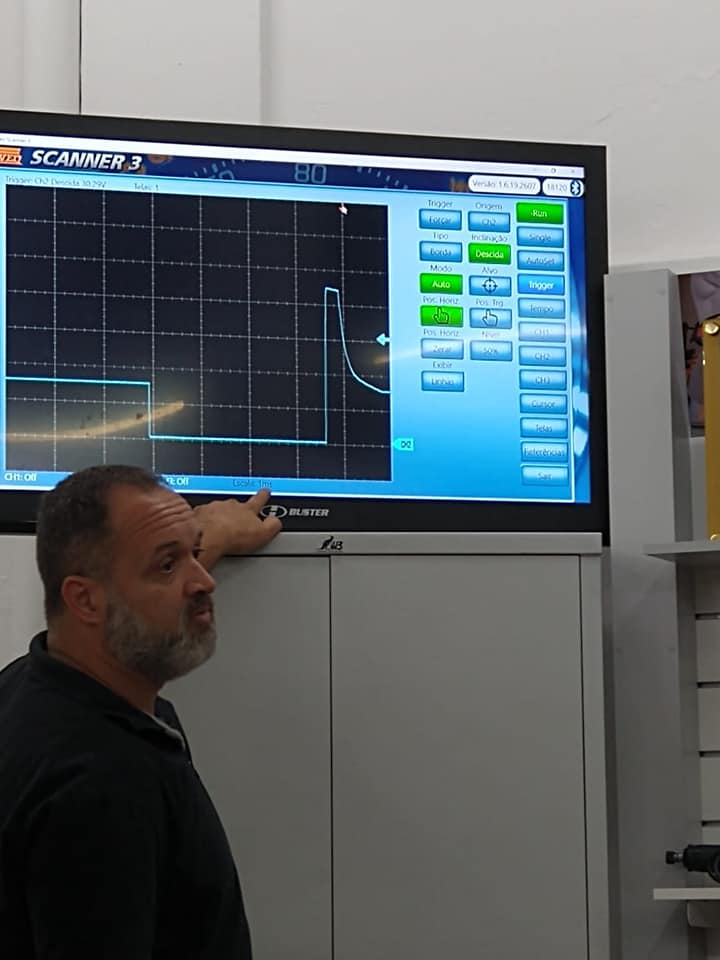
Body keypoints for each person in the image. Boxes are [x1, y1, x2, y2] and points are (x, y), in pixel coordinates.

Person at [0, 464, 283, 959]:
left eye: (194, 551)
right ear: (85, 600)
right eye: (168, 565)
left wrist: (197, 544)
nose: (204, 582)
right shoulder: (100, 787)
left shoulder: (32, 681)